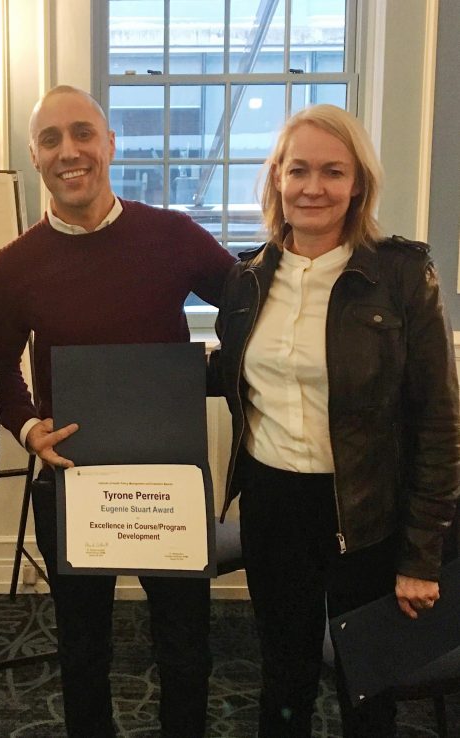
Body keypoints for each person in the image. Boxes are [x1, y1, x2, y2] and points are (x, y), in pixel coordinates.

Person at [0, 85, 235, 738]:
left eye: (83, 133)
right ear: (34, 158)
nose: (69, 151)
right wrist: (30, 426)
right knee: (82, 649)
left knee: (184, 647)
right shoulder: (14, 266)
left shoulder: (173, 236)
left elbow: (250, 307)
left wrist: (209, 375)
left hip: (168, 485)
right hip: (71, 482)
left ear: (110, 145)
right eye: (50, 139)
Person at [209, 104, 460, 737]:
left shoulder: (402, 275)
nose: (313, 187)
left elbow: (438, 423)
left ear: (358, 185)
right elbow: (235, 378)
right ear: (276, 179)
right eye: (298, 170)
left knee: (366, 685)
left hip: (365, 510)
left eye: (332, 171)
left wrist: (422, 556)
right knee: (284, 674)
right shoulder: (247, 278)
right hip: (272, 505)